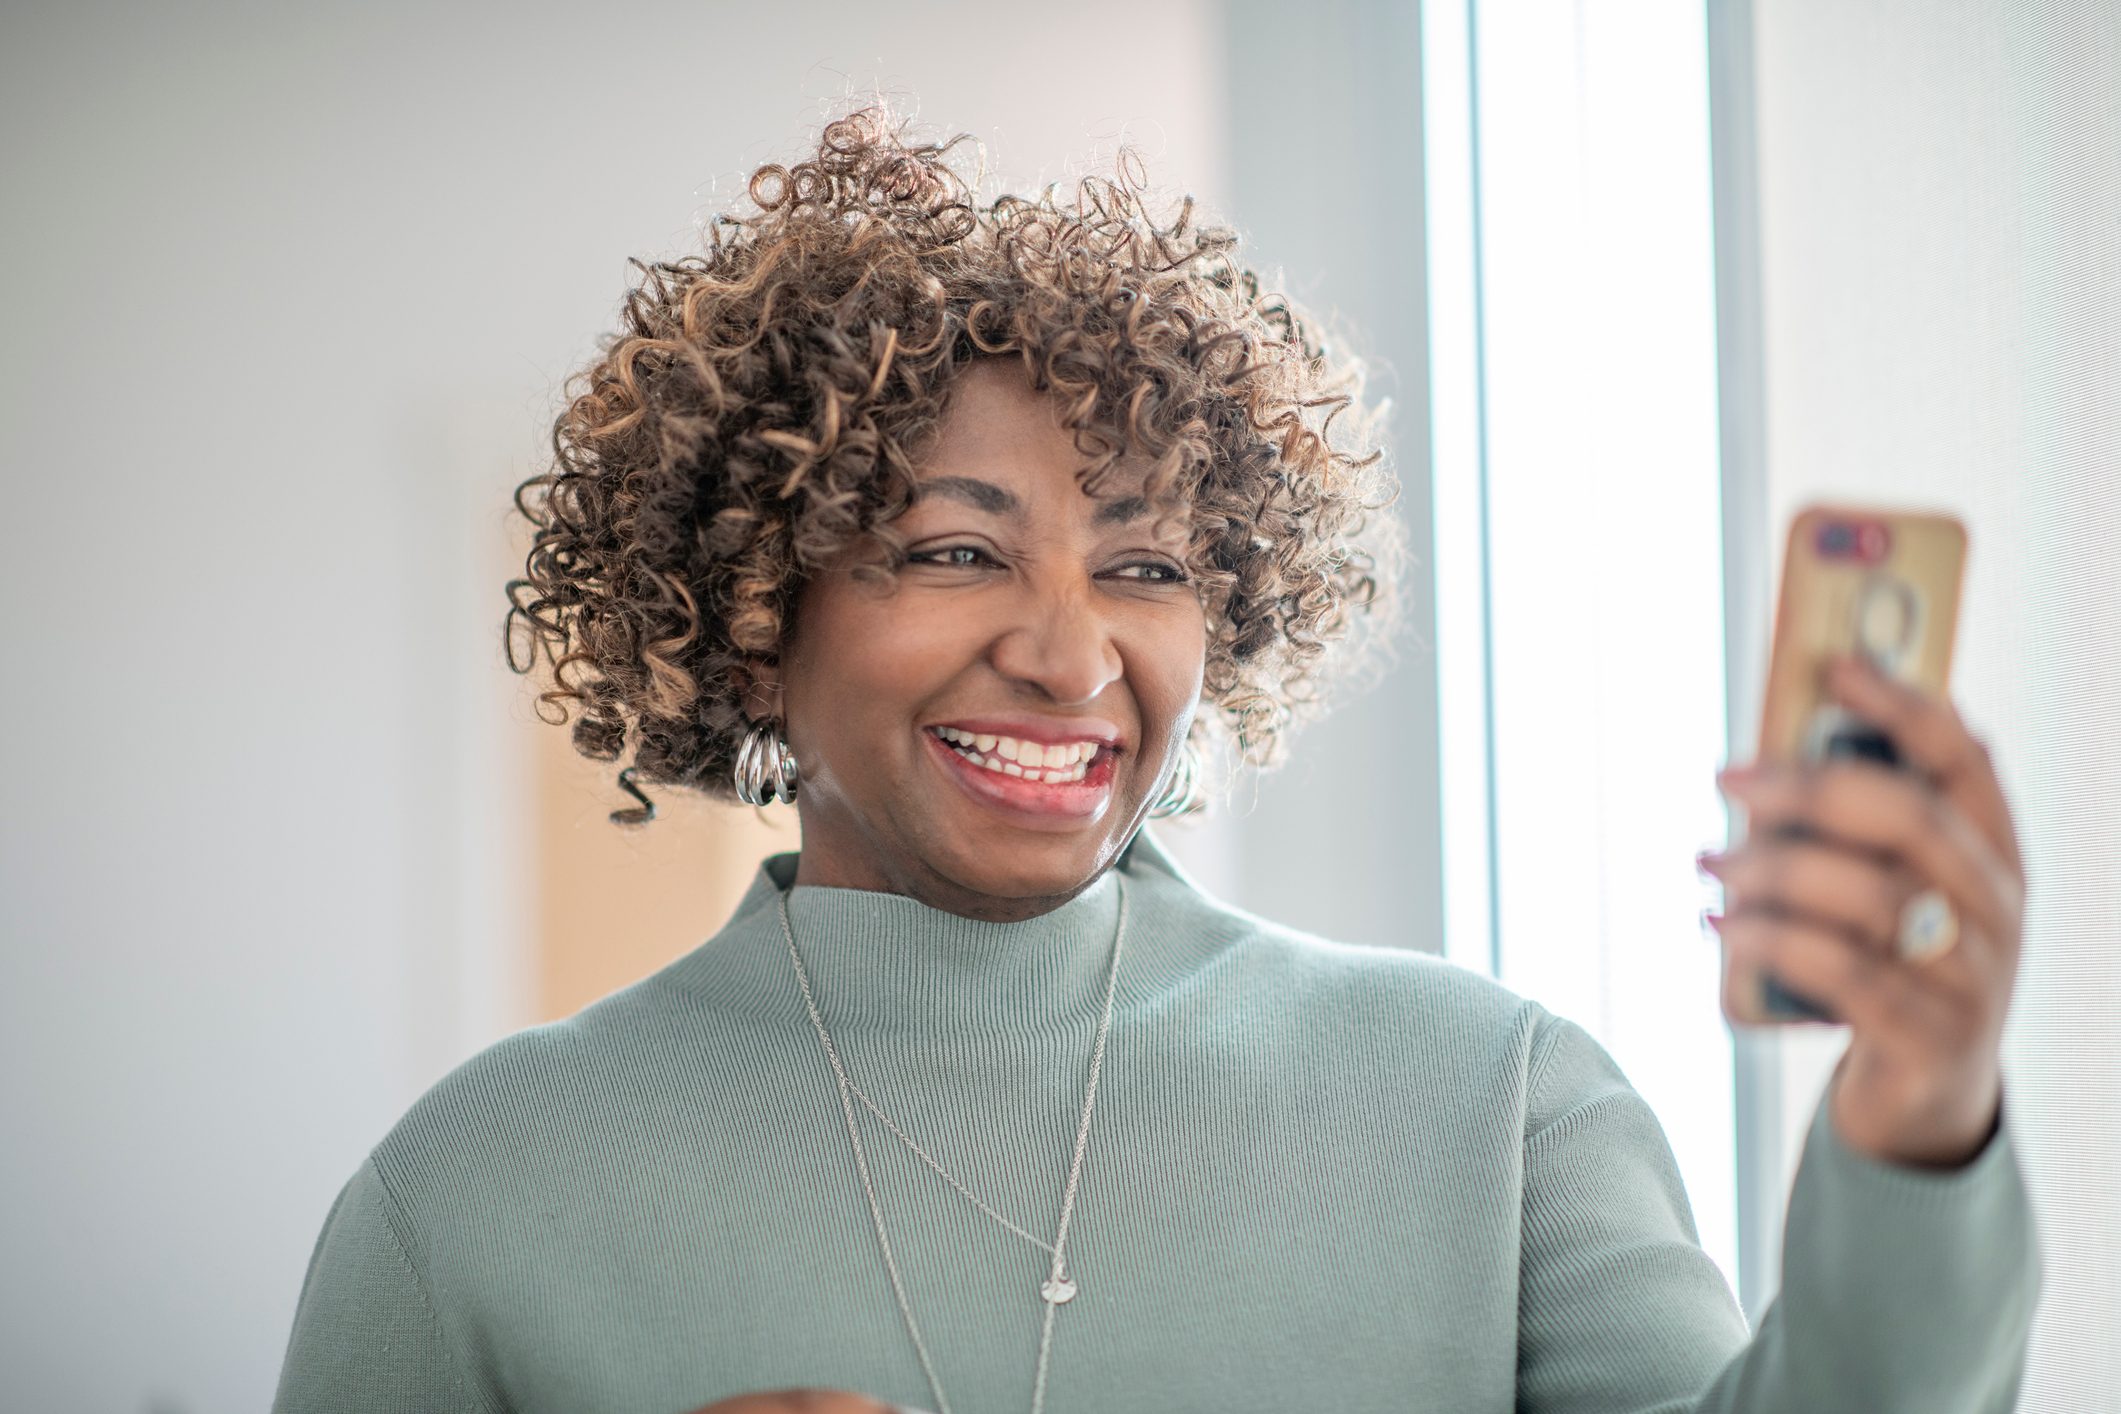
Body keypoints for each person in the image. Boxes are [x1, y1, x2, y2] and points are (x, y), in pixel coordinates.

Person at [272, 102, 2040, 1414]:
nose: (1069, 653)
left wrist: (1918, 1109)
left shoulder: (1492, 1105)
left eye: (1143, 565)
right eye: (953, 550)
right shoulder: (474, 1195)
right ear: (755, 611)